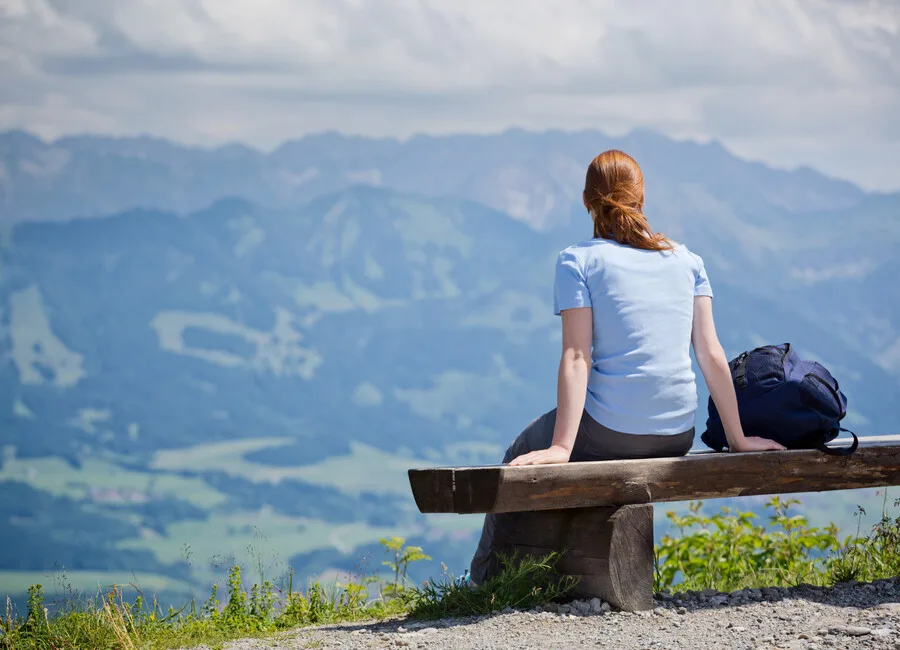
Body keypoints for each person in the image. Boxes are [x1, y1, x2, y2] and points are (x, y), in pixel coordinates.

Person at [467, 149, 785, 586]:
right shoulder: (688, 261)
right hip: (676, 433)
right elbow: (710, 352)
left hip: (610, 431)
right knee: (558, 452)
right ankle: (550, 575)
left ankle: (486, 583)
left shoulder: (577, 260)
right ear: (641, 198)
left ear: (586, 202)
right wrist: (738, 438)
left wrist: (561, 447)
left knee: (523, 450)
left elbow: (577, 357)